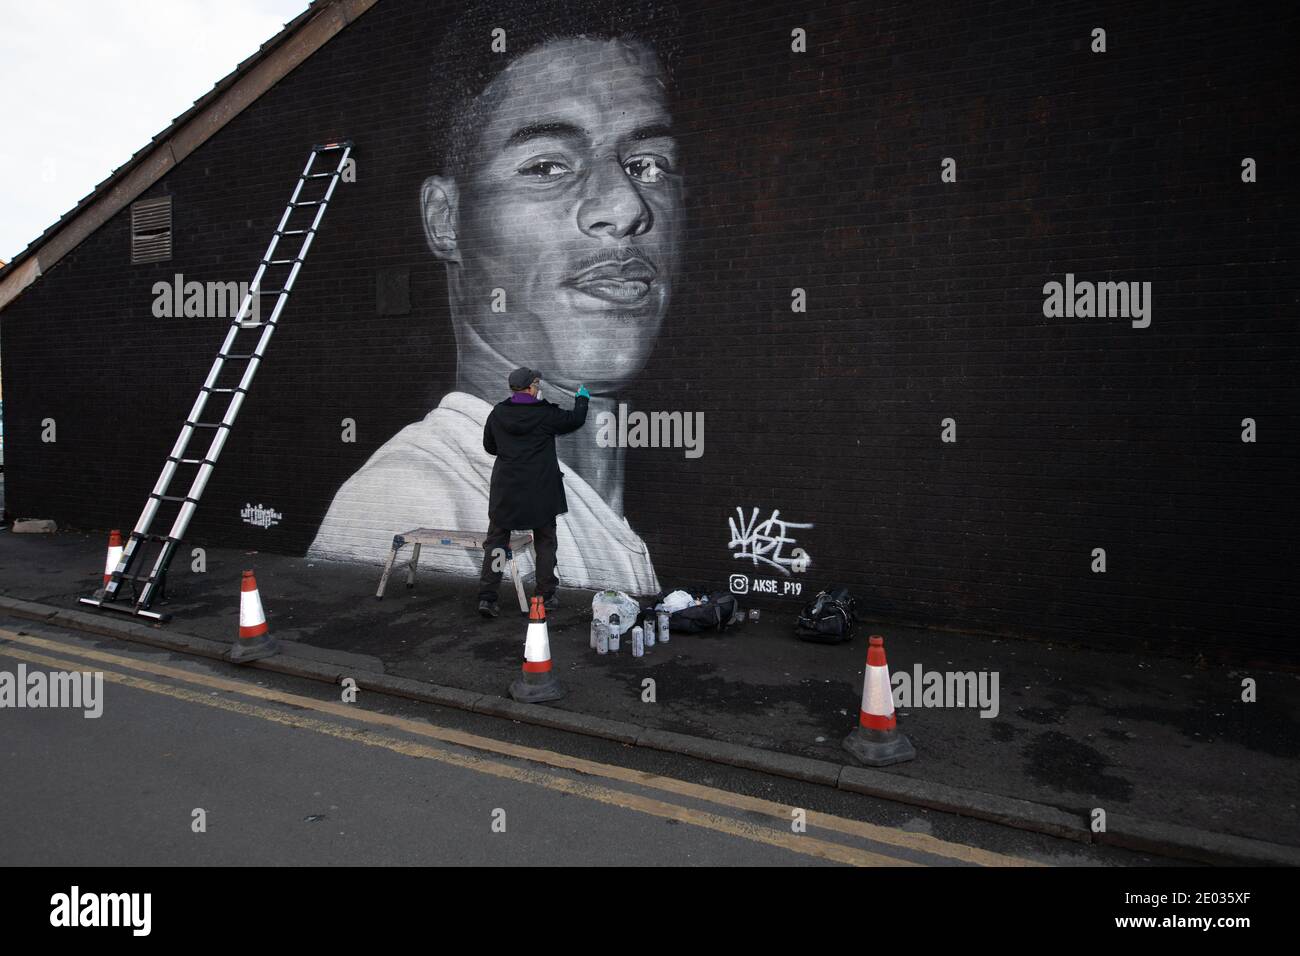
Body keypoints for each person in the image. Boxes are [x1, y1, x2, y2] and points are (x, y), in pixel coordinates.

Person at [308, 1, 681, 598]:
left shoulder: (588, 493)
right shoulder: (410, 499)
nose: (625, 207)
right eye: (546, 166)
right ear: (446, 219)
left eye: (649, 164)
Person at [477, 367, 590, 617]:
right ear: (530, 387)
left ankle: (488, 597)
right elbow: (575, 420)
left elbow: (489, 446)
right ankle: (545, 595)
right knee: (545, 543)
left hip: (507, 490)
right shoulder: (545, 414)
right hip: (540, 491)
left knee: (497, 542)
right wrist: (582, 399)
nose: (539, 388)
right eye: (537, 383)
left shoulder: (498, 413)